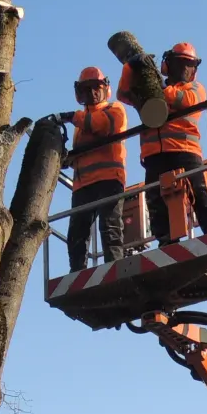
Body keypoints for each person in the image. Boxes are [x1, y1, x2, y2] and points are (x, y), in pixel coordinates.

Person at [117, 42, 207, 245]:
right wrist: (130, 66)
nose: (185, 69)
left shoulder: (195, 89)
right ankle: (166, 242)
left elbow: (184, 100)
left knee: (201, 194)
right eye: (180, 63)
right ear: (168, 65)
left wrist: (161, 89)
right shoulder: (151, 92)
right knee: (156, 202)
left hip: (185, 151)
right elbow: (124, 93)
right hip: (154, 155)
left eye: (189, 65)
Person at [62, 66, 128, 271]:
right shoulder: (81, 123)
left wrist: (71, 116)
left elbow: (102, 125)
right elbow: (82, 150)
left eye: (95, 87)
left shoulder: (114, 109)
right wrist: (66, 158)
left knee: (110, 227)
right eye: (86, 89)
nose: (91, 93)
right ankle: (77, 272)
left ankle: (115, 268)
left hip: (109, 179)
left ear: (105, 88)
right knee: (76, 234)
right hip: (83, 185)